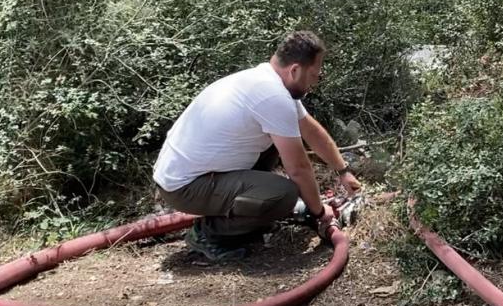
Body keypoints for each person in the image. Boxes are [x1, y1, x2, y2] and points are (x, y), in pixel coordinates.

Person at [153, 31, 362, 261]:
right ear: (294, 70)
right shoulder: (273, 96)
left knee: (279, 140)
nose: (316, 81)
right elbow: (299, 169)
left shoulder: (267, 81)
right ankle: (208, 233)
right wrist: (320, 213)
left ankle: (247, 211)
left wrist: (343, 171)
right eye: (314, 74)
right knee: (284, 195)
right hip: (185, 187)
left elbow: (311, 131)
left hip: (191, 174)